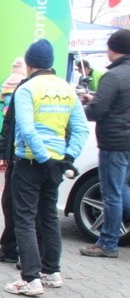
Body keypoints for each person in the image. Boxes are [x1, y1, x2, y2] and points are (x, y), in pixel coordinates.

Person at [5, 39, 88, 297]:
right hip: (56, 162)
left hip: (31, 162)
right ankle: (51, 272)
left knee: (25, 220)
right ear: (51, 64)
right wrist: (66, 158)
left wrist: (42, 158)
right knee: (49, 216)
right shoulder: (67, 89)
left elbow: (27, 129)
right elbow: (81, 128)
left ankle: (30, 279)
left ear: (29, 64)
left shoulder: (27, 89)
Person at [78, 29, 130, 259]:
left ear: (114, 49)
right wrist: (96, 97)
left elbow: (98, 111)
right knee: (122, 189)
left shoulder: (113, 76)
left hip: (114, 142)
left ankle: (108, 242)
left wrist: (81, 109)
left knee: (111, 194)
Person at [0, 60, 30, 266]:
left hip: (26, 157)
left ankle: (29, 258)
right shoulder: (21, 88)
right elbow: (9, 122)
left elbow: (14, 124)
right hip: (19, 155)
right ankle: (11, 248)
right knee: (12, 204)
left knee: (23, 210)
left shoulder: (26, 89)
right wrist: (1, 151)